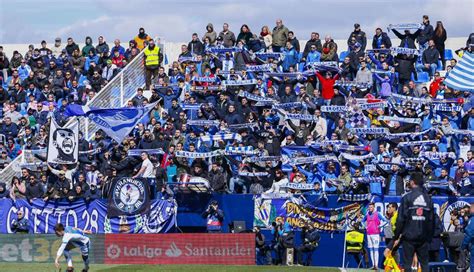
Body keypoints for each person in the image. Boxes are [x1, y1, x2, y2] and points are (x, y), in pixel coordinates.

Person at [389, 172, 435, 272]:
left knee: (407, 264)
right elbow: (431, 220)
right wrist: (429, 237)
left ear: (412, 182)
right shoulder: (428, 199)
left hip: (409, 236)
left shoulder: (407, 198)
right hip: (423, 237)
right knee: (424, 264)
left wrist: (396, 236)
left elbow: (400, 219)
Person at [362, 202, 389, 270]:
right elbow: (362, 221)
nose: (370, 208)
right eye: (369, 207)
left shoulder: (378, 214)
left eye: (371, 207)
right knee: (371, 250)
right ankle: (373, 265)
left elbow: (386, 221)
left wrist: (379, 226)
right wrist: (366, 227)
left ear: (374, 207)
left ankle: (376, 265)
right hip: (369, 234)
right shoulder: (367, 214)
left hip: (376, 234)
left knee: (376, 249)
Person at [461, 203, 474, 272]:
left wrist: (463, 246)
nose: (470, 210)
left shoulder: (472, 220)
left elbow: (469, 234)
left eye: (471, 208)